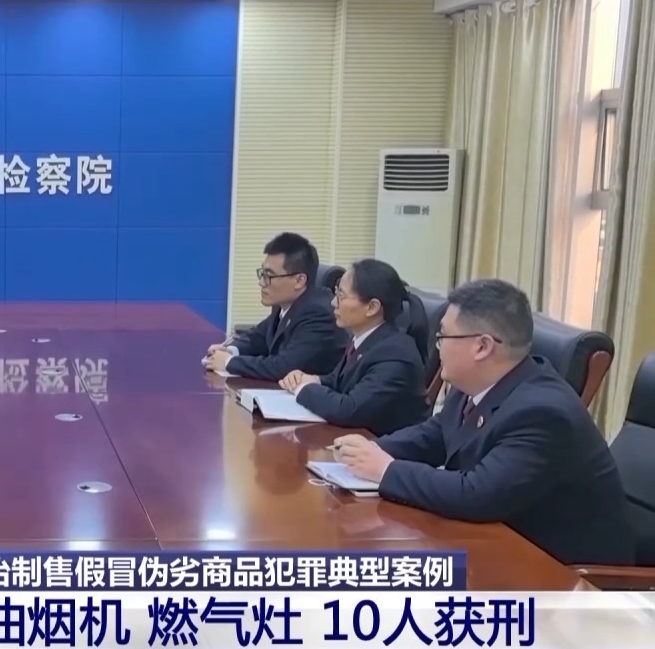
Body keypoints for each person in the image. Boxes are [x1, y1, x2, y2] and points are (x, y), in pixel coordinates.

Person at [331, 279, 634, 566]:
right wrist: (370, 451)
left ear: (482, 346)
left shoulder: (543, 412)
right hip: (500, 543)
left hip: (560, 571)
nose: (437, 347)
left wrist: (386, 470)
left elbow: (477, 494)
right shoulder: (476, 385)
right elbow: (434, 435)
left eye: (443, 337)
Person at [280, 259, 429, 435]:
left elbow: (349, 410)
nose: (333, 302)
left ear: (372, 307)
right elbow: (337, 380)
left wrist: (303, 389)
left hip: (383, 447)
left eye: (341, 296)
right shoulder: (365, 338)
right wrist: (311, 379)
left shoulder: (395, 355)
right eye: (336, 293)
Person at [205, 232, 345, 380]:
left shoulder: (318, 314)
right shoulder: (285, 304)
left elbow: (284, 367)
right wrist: (230, 350)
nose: (261, 282)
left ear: (299, 281)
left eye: (269, 276)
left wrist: (228, 362)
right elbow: (258, 337)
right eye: (262, 274)